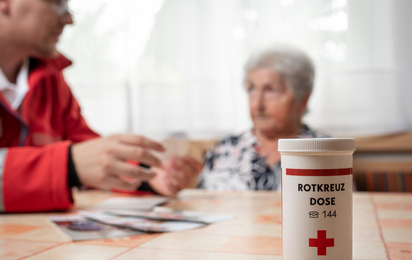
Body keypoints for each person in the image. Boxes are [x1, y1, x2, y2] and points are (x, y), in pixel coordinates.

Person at [0, 0, 198, 212]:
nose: (69, 19)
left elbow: (87, 150)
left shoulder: (51, 80)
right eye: (57, 3)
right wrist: (67, 166)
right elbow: (77, 161)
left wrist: (147, 177)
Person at [198, 46, 327, 190]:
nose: (258, 105)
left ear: (302, 98)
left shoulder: (326, 151)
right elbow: (199, 204)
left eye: (271, 91)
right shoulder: (226, 148)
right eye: (252, 89)